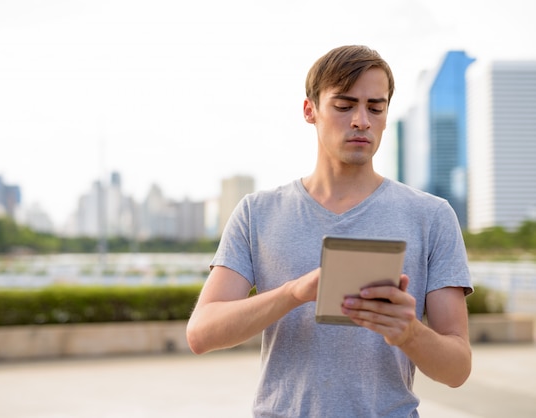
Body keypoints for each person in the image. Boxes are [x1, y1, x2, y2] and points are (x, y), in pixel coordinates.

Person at [186, 45, 473, 417]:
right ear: (310, 111)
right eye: (344, 105)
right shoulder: (257, 213)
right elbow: (201, 334)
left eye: (375, 107)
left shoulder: (432, 216)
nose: (361, 120)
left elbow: (458, 369)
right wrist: (294, 293)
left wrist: (409, 333)